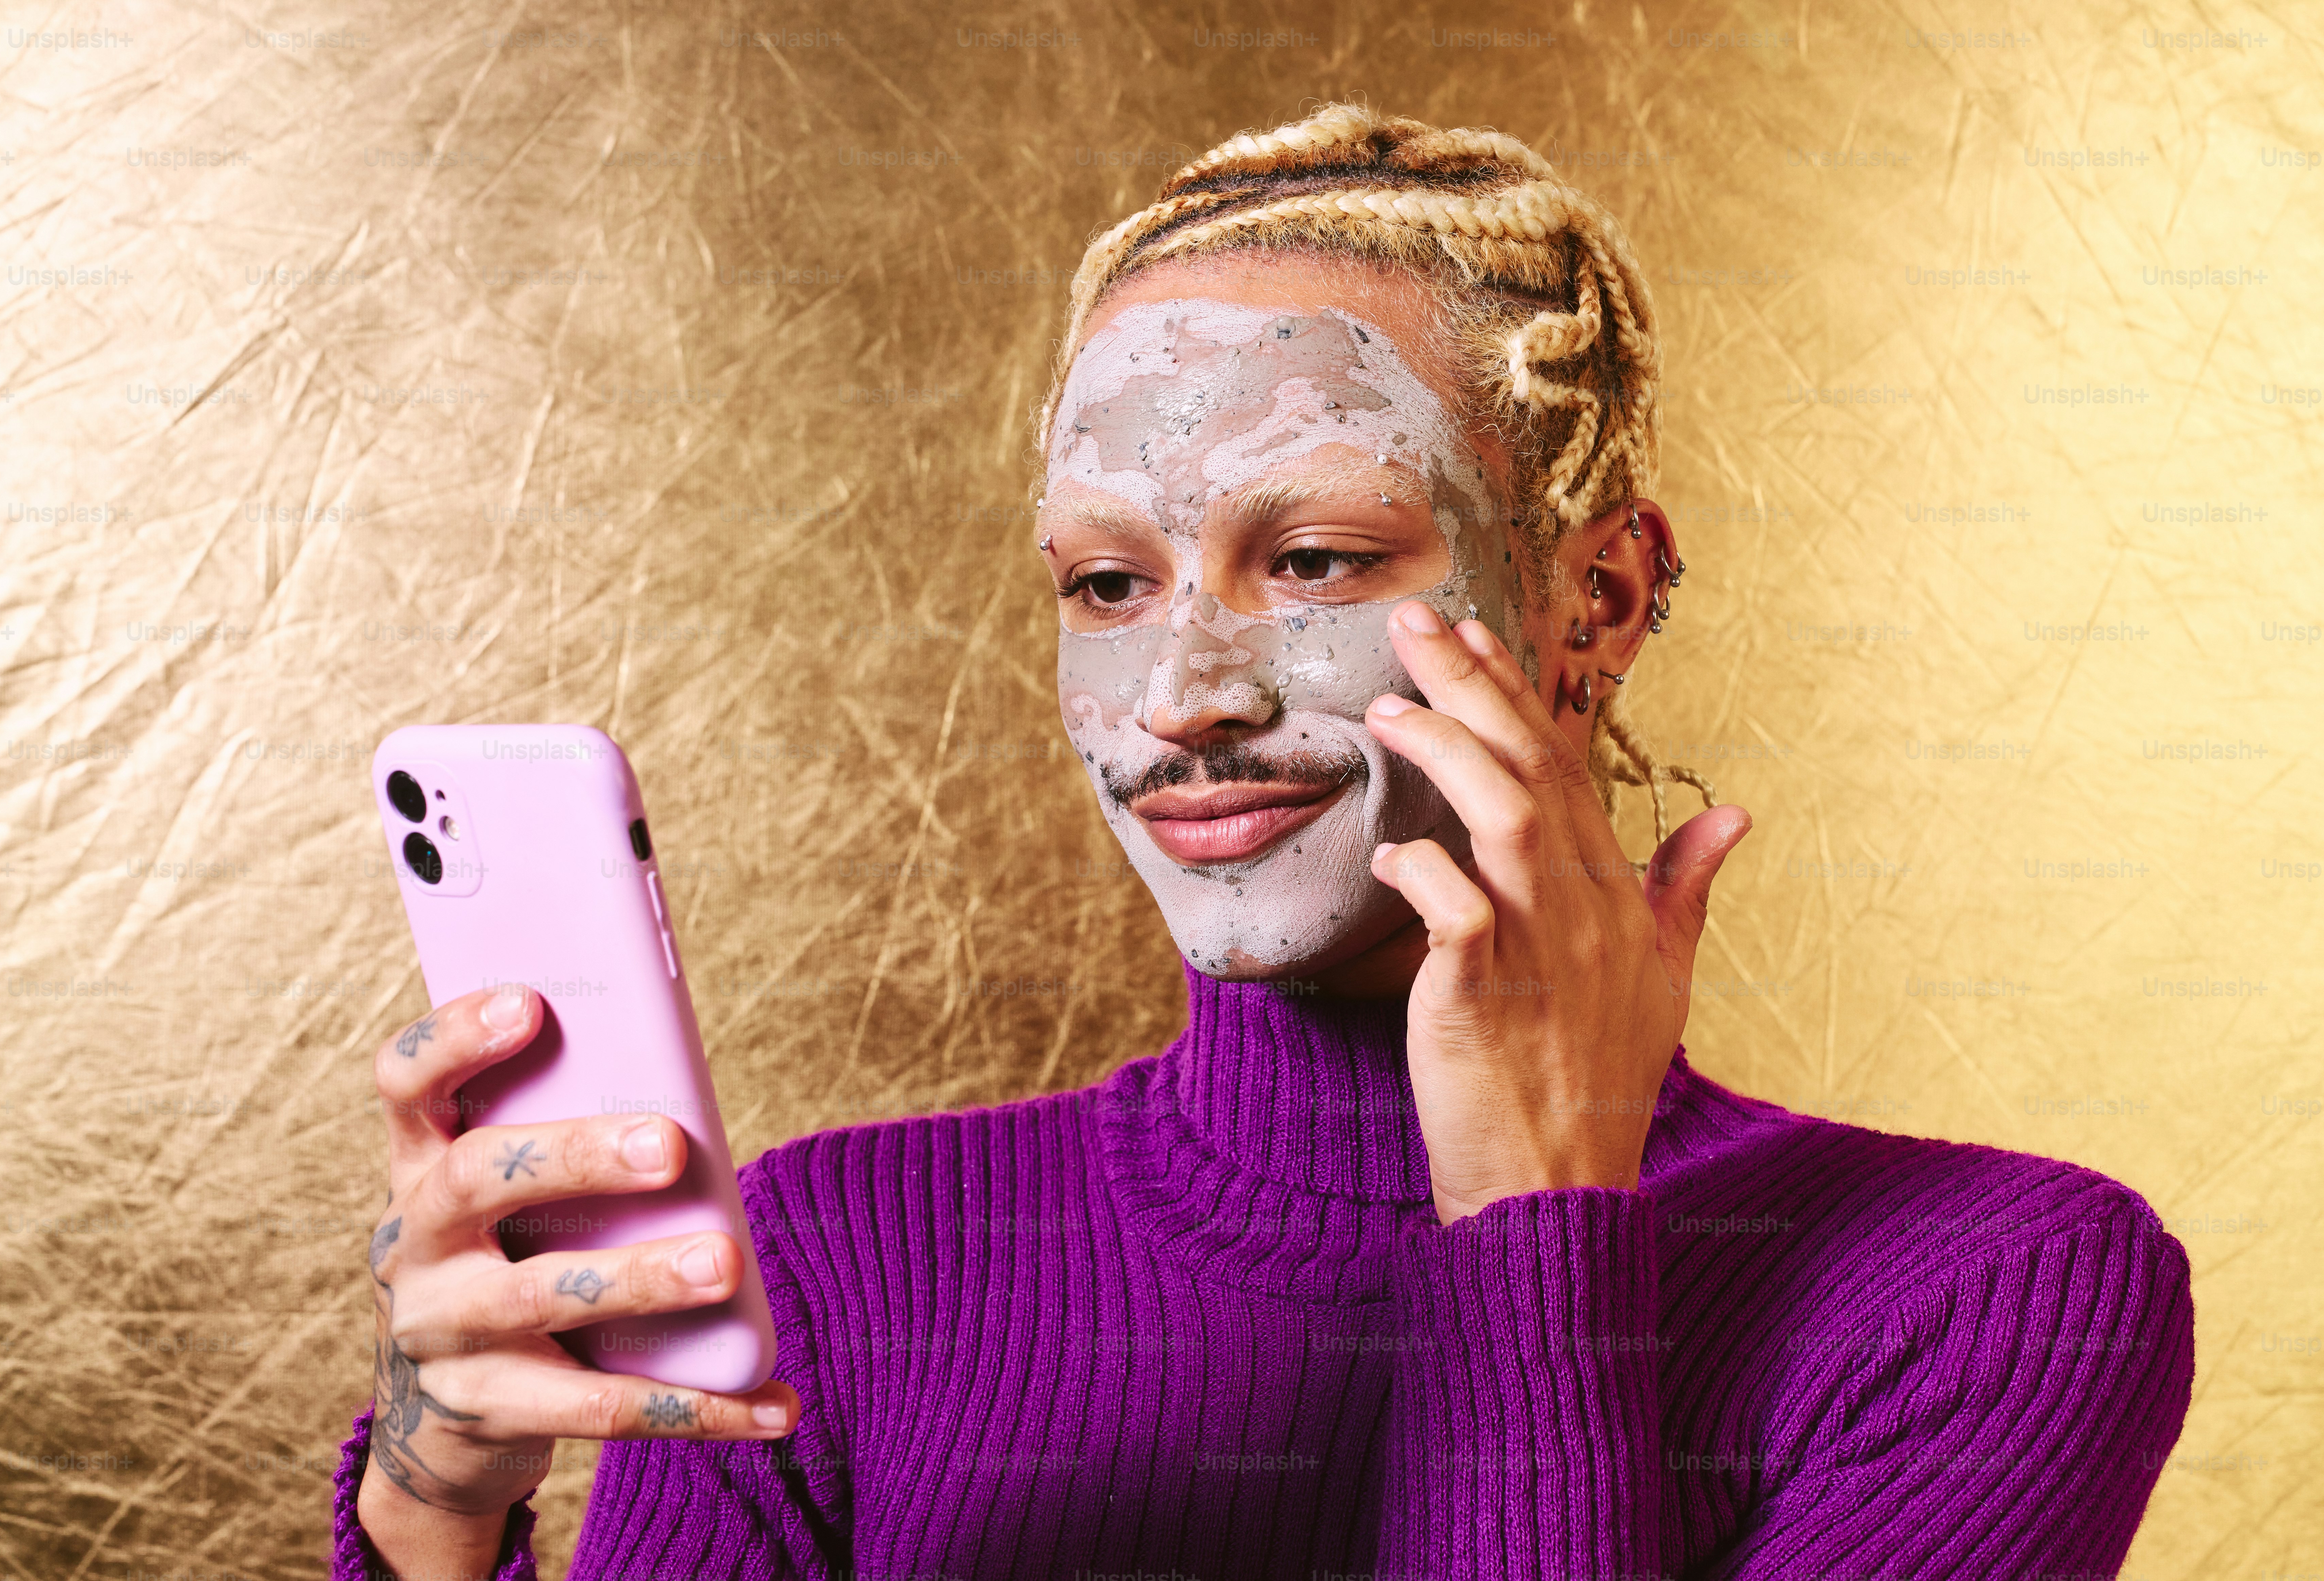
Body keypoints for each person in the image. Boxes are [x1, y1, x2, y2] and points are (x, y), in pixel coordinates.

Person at [332, 105, 2193, 1580]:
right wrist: (435, 1519)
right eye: (1105, 584)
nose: (1182, 693)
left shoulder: (1994, 1296)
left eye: (1308, 562)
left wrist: (1539, 1224)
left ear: (1600, 598)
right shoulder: (836, 1258)